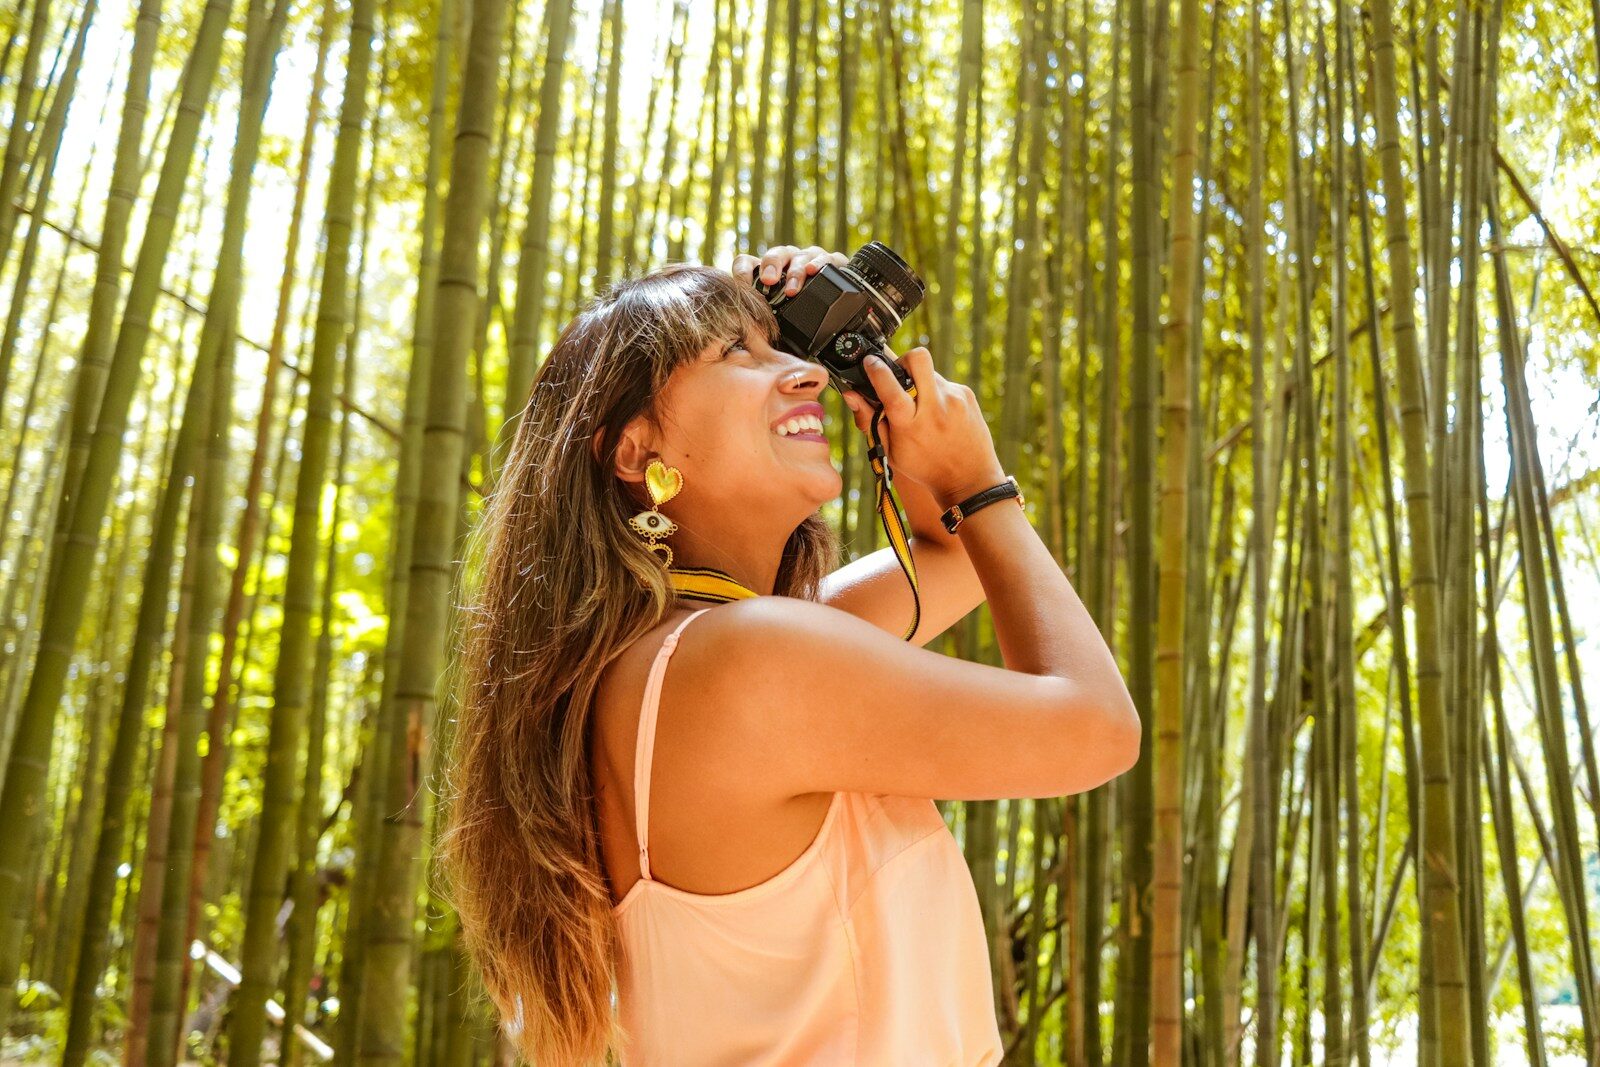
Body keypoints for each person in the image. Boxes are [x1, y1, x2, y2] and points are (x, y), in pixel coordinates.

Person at [437, 244, 1141, 1066]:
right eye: (737, 351)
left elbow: (950, 558)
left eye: (787, 347)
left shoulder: (688, 657)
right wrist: (977, 476)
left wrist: (877, 394)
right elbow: (1097, 728)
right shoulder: (750, 660)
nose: (801, 373)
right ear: (634, 451)